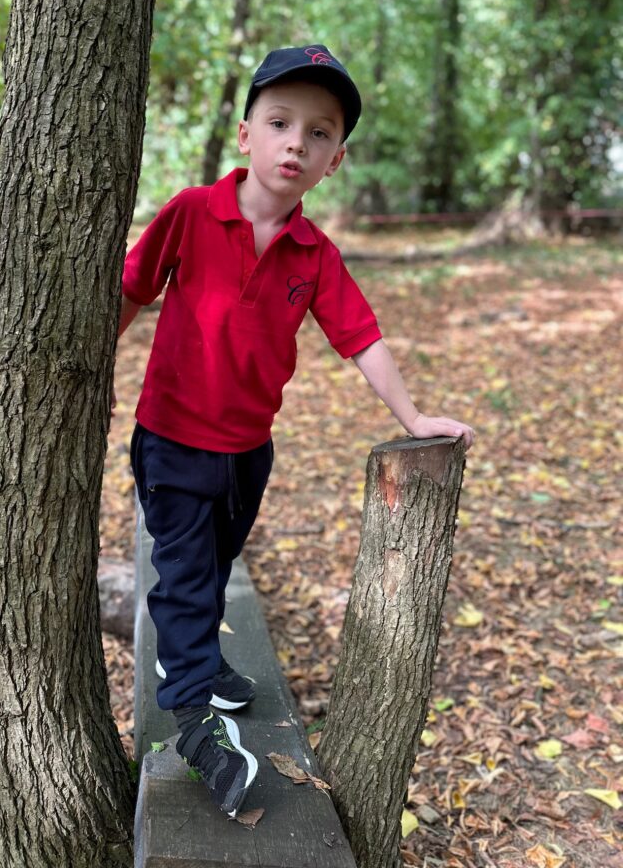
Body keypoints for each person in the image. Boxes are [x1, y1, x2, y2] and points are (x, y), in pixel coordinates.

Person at [116, 44, 475, 818]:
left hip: (248, 449)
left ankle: (204, 666)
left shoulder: (314, 255)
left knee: (215, 561)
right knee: (181, 577)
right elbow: (131, 288)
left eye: (317, 133)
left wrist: (413, 417)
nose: (295, 143)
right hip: (174, 439)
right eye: (280, 122)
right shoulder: (189, 213)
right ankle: (193, 720)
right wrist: (79, 379)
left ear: (335, 160)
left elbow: (362, 338)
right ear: (245, 133)